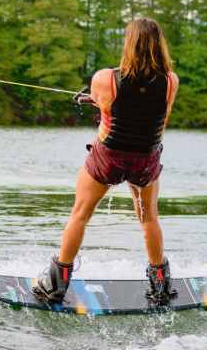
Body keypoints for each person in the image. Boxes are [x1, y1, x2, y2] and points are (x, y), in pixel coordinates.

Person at [34, 17, 180, 305]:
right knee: (149, 216)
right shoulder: (170, 81)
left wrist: (97, 101)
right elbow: (159, 121)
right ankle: (160, 285)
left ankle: (56, 284)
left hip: (109, 157)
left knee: (80, 213)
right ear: (158, 45)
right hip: (146, 159)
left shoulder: (103, 78)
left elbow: (108, 115)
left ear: (129, 43)